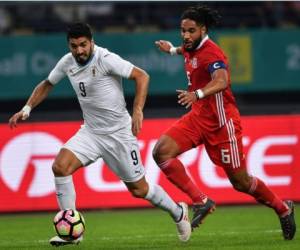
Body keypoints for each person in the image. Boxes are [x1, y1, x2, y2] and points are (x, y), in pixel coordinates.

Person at [8, 22, 191, 245]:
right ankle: (73, 233)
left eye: (83, 45)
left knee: (139, 189)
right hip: (91, 132)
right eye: (74, 46)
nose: (79, 51)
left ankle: (178, 212)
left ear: (92, 42)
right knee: (60, 167)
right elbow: (47, 83)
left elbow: (142, 76)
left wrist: (137, 110)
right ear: (69, 46)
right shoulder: (67, 62)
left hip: (118, 134)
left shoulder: (105, 59)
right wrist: (27, 108)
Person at [154, 5, 296, 240]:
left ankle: (283, 208)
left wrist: (197, 94)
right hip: (198, 119)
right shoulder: (191, 47)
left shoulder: (213, 53)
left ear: (203, 30)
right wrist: (171, 50)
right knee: (161, 152)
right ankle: (202, 201)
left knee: (241, 182)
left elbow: (222, 80)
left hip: (222, 125)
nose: (186, 36)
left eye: (191, 31)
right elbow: (186, 51)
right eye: (183, 31)